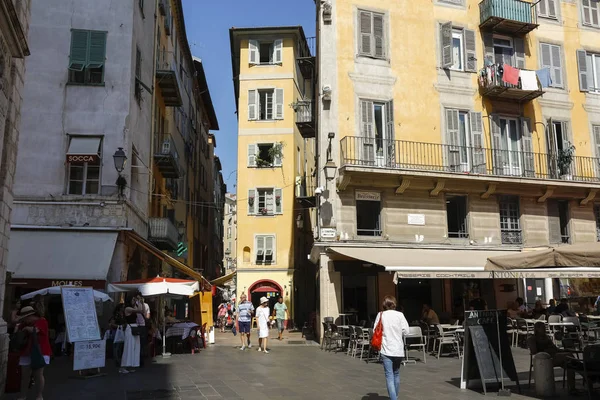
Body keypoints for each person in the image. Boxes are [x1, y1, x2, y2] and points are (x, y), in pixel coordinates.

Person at [374, 296, 410, 400]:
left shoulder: (381, 315)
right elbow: (406, 331)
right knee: (396, 373)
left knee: (389, 376)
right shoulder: (400, 315)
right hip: (398, 349)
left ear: (384, 304)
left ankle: (394, 398)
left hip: (386, 348)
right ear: (394, 304)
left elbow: (374, 330)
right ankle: (395, 397)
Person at [527, 322, 577, 394]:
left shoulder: (546, 337)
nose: (544, 329)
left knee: (571, 365)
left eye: (545, 328)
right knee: (569, 356)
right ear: (537, 329)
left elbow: (556, 349)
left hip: (555, 355)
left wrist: (564, 350)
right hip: (545, 359)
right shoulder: (533, 339)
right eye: (542, 328)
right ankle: (584, 374)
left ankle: (572, 387)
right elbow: (534, 351)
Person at [16, 306, 52, 400]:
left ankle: (39, 396)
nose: (25, 320)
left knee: (38, 374)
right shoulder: (23, 324)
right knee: (25, 376)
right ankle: (22, 396)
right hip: (26, 351)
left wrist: (27, 328)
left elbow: (35, 330)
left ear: (31, 315)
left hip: (40, 351)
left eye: (26, 318)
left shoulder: (42, 321)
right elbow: (16, 329)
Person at [120, 298, 143, 374]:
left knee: (135, 347)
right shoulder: (127, 308)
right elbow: (139, 310)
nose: (134, 301)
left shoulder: (132, 308)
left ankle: (131, 365)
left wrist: (139, 303)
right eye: (133, 300)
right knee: (128, 347)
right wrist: (139, 302)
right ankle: (123, 366)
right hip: (130, 328)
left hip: (134, 328)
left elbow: (141, 310)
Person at [134, 293, 150, 367]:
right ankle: (140, 361)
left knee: (135, 344)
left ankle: (136, 360)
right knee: (142, 344)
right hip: (142, 327)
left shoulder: (134, 305)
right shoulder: (146, 305)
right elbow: (148, 317)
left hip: (135, 326)